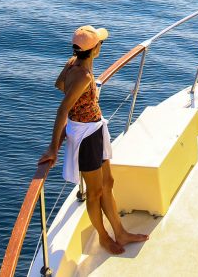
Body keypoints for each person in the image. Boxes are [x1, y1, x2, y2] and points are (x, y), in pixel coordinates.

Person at [38, 25, 148, 255]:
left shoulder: (75, 64)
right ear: (95, 49)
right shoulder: (83, 74)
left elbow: (60, 85)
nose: (101, 46)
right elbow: (62, 111)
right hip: (86, 135)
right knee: (95, 192)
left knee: (108, 183)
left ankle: (120, 232)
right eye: (101, 43)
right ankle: (103, 237)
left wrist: (85, 95)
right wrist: (52, 147)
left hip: (95, 129)